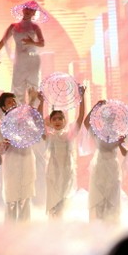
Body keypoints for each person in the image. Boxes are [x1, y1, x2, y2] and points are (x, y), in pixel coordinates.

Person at [38, 84, 86, 218]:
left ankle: (61, 224)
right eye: (54, 119)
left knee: (63, 201)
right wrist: (41, 102)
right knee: (53, 202)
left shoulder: (69, 135)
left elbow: (80, 117)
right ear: (50, 122)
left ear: (65, 121)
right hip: (53, 172)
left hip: (67, 171)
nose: (57, 121)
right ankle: (53, 223)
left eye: (60, 118)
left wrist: (82, 98)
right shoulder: (50, 136)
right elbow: (39, 122)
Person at [0, 89, 39, 223]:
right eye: (9, 102)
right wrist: (4, 144)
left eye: (14, 101)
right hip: (11, 163)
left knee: (25, 198)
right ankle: (9, 231)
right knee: (11, 200)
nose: (13, 103)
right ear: (3, 107)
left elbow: (33, 128)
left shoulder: (25, 119)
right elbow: (0, 150)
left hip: (26, 159)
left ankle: (25, 231)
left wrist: (32, 99)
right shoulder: (0, 125)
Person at [0, 0, 47, 106]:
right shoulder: (13, 27)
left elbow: (42, 43)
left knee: (32, 89)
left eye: (31, 10)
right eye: (27, 8)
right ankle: (19, 113)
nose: (28, 11)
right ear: (23, 10)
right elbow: (3, 41)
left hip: (32, 60)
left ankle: (32, 112)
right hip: (19, 61)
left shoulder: (35, 27)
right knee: (18, 89)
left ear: (34, 13)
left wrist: (32, 42)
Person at [83, 99, 127, 223]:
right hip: (100, 166)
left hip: (112, 167)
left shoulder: (118, 134)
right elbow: (86, 122)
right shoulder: (97, 131)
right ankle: (99, 224)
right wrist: (96, 106)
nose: (109, 118)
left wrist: (120, 143)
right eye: (106, 116)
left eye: (111, 116)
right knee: (99, 196)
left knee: (112, 196)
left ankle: (111, 224)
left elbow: (125, 152)